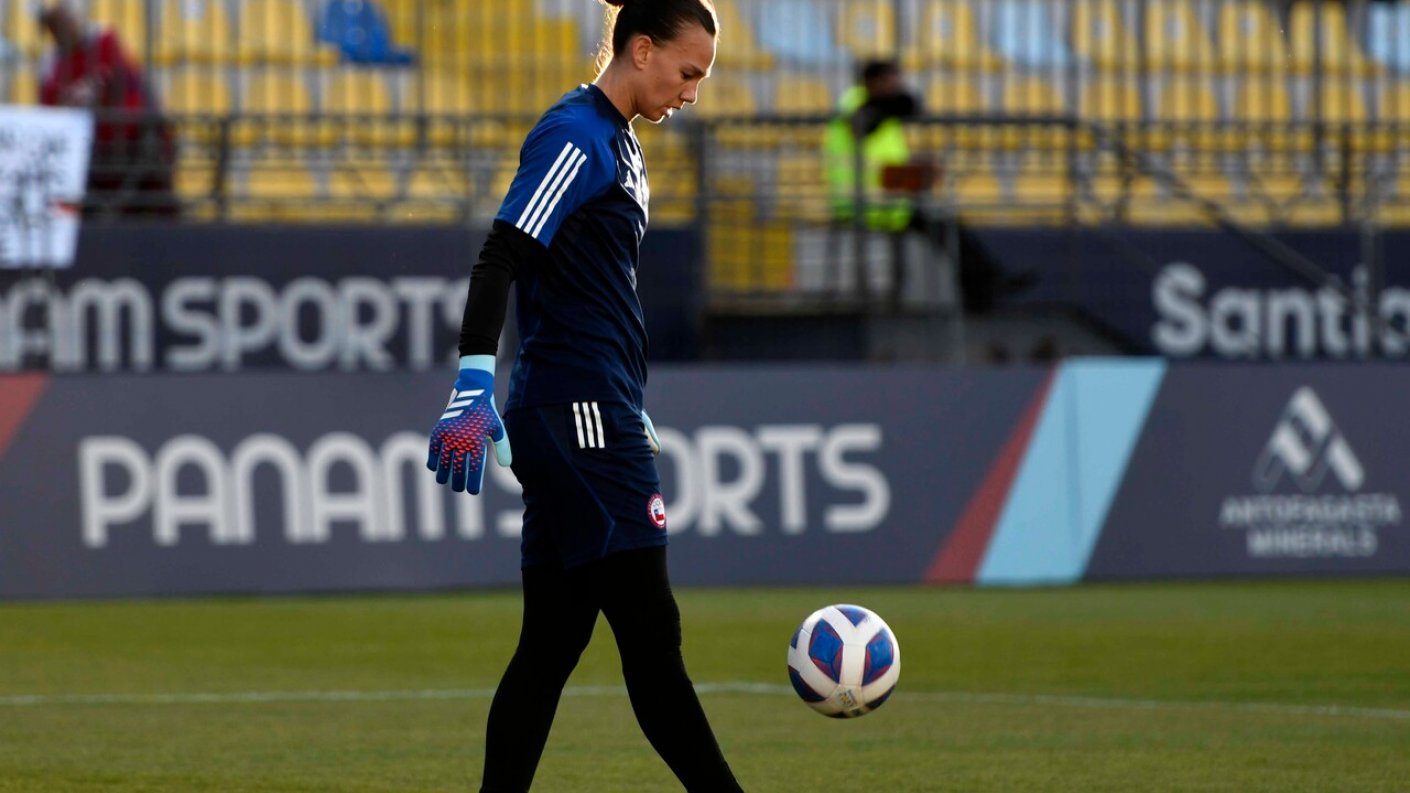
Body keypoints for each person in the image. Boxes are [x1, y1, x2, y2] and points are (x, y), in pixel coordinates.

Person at [424, 2, 746, 791]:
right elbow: (501, 254)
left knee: (551, 643)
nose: (692, 92)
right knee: (652, 636)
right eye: (687, 72)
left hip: (591, 405)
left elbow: (592, 286)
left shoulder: (620, 142)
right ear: (642, 49)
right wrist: (473, 380)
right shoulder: (575, 134)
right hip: (579, 413)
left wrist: (625, 391)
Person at [823, 59, 1028, 313]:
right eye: (892, 81)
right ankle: (982, 290)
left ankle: (982, 288)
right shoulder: (853, 103)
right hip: (863, 202)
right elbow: (862, 128)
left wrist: (915, 172)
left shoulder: (877, 109)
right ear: (874, 82)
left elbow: (879, 157)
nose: (897, 86)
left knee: (946, 224)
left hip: (884, 198)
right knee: (944, 227)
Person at [38, 0, 178, 218]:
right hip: (87, 150)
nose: (67, 28)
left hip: (128, 140)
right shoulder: (52, 66)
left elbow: (129, 90)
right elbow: (49, 114)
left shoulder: (105, 42)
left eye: (68, 21)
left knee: (153, 139)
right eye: (58, 26)